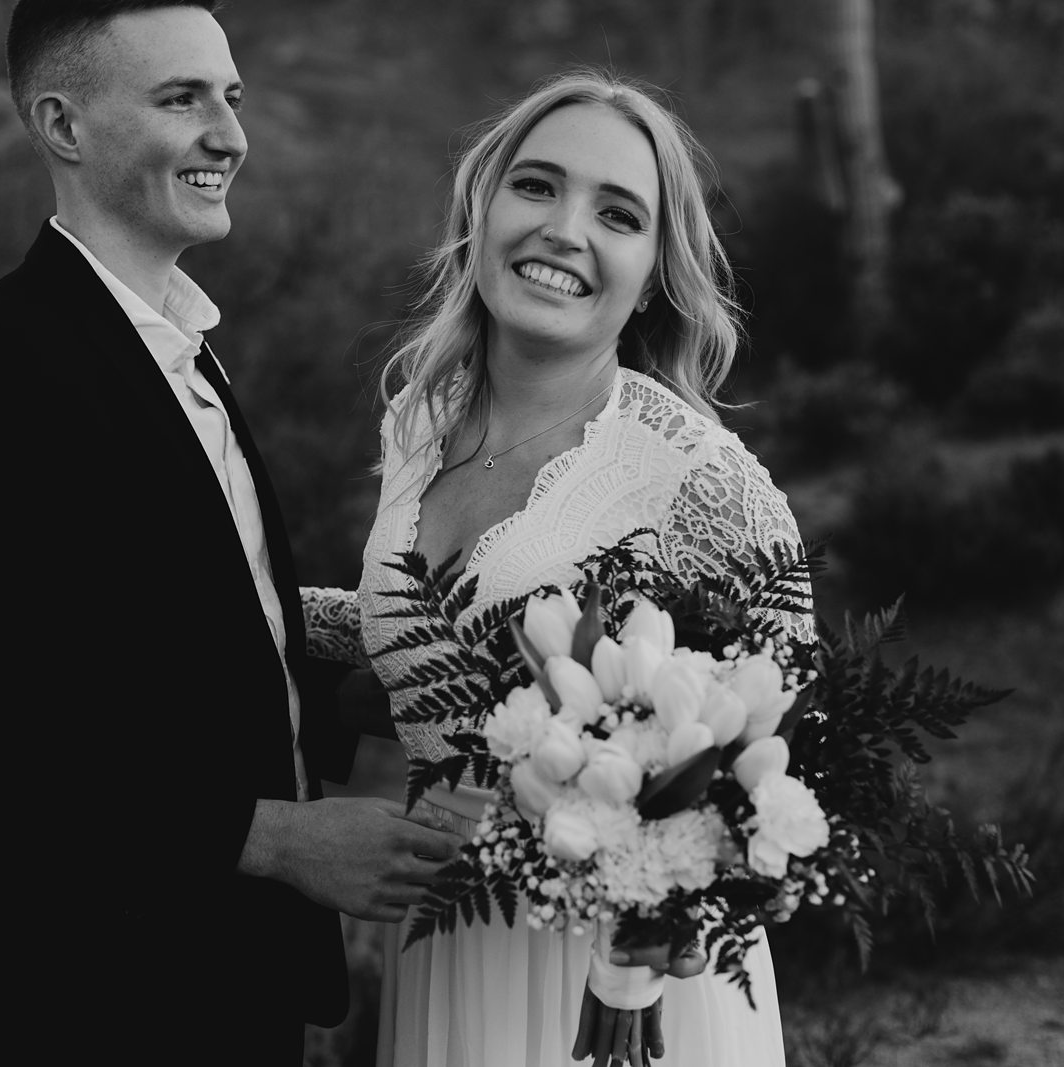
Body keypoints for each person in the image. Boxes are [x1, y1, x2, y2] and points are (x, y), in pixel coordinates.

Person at [0, 2, 461, 1063]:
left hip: (234, 988)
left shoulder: (184, 352)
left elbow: (137, 659)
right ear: (63, 125)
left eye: (230, 97)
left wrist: (366, 684)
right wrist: (271, 836)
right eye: (180, 98)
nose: (228, 134)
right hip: (98, 1000)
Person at [303, 70, 811, 1066]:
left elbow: (790, 768)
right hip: (444, 946)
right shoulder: (420, 422)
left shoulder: (694, 477)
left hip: (618, 982)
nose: (563, 229)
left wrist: (641, 898)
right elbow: (416, 640)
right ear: (481, 208)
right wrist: (251, 605)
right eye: (535, 186)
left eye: (616, 212)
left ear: (657, 269)